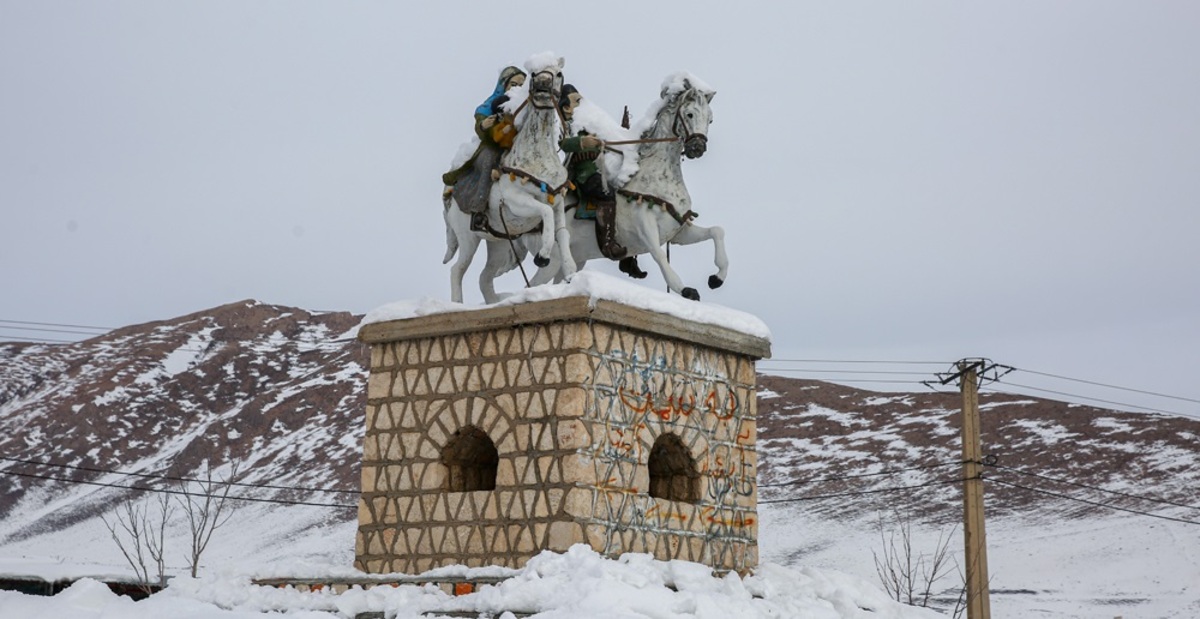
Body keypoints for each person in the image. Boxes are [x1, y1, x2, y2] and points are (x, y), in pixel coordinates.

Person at [442, 66, 527, 228]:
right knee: (488, 159)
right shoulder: (492, 105)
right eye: (514, 84)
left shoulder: (525, 107)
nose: (518, 89)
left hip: (519, 145)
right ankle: (478, 209)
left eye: (522, 85)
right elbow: (481, 128)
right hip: (494, 144)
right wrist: (484, 126)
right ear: (504, 86)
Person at [558, 85, 627, 261]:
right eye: (577, 101)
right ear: (566, 107)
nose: (583, 104)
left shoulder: (588, 124)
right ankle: (608, 245)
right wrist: (582, 142)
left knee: (628, 195)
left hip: (601, 169)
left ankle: (629, 258)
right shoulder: (563, 124)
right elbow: (562, 143)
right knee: (606, 194)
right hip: (583, 173)